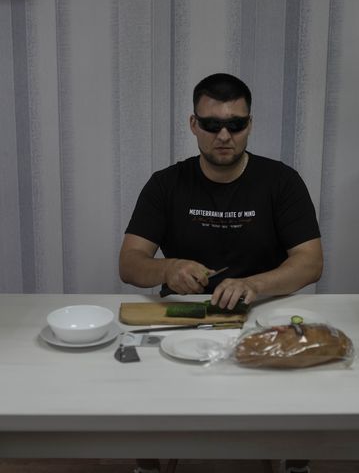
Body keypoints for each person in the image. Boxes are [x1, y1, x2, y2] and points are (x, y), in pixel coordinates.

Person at [119, 72, 323, 473]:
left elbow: (310, 262)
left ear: (250, 124)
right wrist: (167, 268)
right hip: (185, 312)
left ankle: (295, 462)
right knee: (132, 379)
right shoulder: (166, 184)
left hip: (262, 309)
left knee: (306, 384)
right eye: (212, 125)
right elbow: (129, 263)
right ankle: (148, 464)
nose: (224, 135)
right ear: (193, 124)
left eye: (236, 124)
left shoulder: (281, 181)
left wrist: (253, 284)